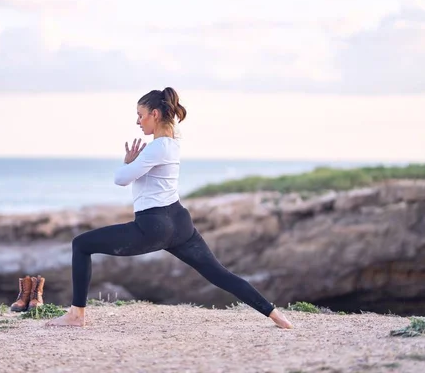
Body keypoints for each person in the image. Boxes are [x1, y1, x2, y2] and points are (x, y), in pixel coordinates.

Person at [47, 87, 293, 329]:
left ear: (155, 114)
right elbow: (149, 163)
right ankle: (274, 315)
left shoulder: (157, 148)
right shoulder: (174, 142)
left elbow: (121, 179)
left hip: (153, 225)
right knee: (219, 274)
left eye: (141, 115)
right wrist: (136, 163)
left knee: (81, 244)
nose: (137, 121)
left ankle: (76, 315)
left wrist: (127, 162)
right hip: (179, 223)